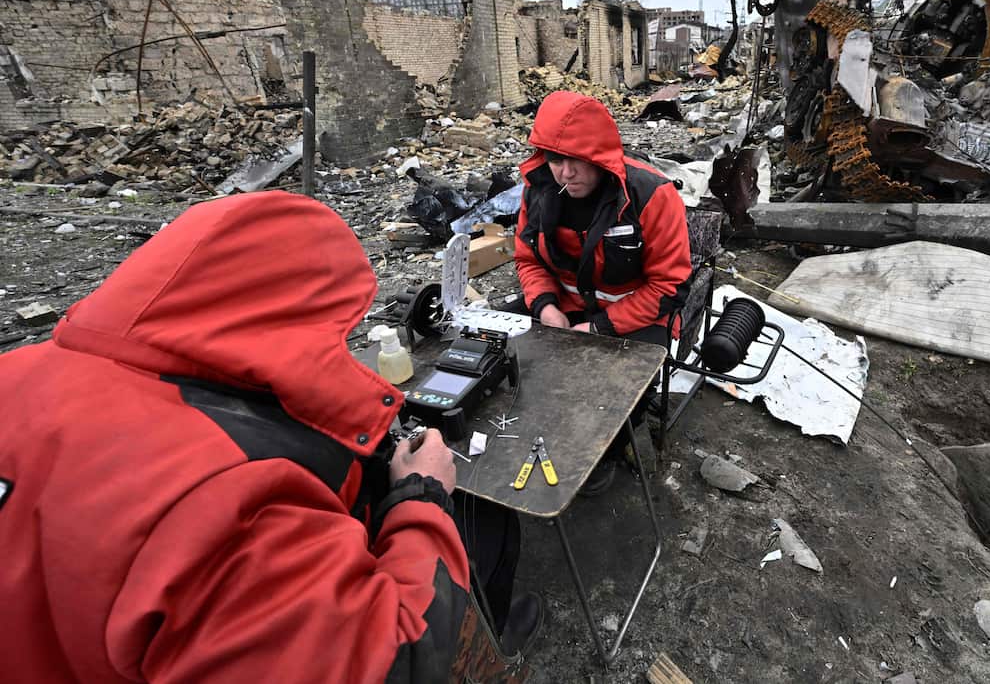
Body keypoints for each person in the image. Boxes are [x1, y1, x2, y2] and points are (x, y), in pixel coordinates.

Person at [0, 191, 535, 683]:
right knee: (487, 522)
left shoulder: (15, 373)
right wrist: (422, 499)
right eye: (329, 329)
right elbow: (389, 662)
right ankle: (496, 634)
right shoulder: (220, 499)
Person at [513, 91, 692, 490]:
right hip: (567, 310)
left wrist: (599, 329)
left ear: (600, 157)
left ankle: (615, 440)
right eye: (556, 160)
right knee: (517, 366)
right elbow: (528, 261)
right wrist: (545, 308)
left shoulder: (651, 196)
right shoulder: (538, 191)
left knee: (612, 392)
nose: (565, 173)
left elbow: (669, 286)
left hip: (640, 317)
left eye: (576, 160)